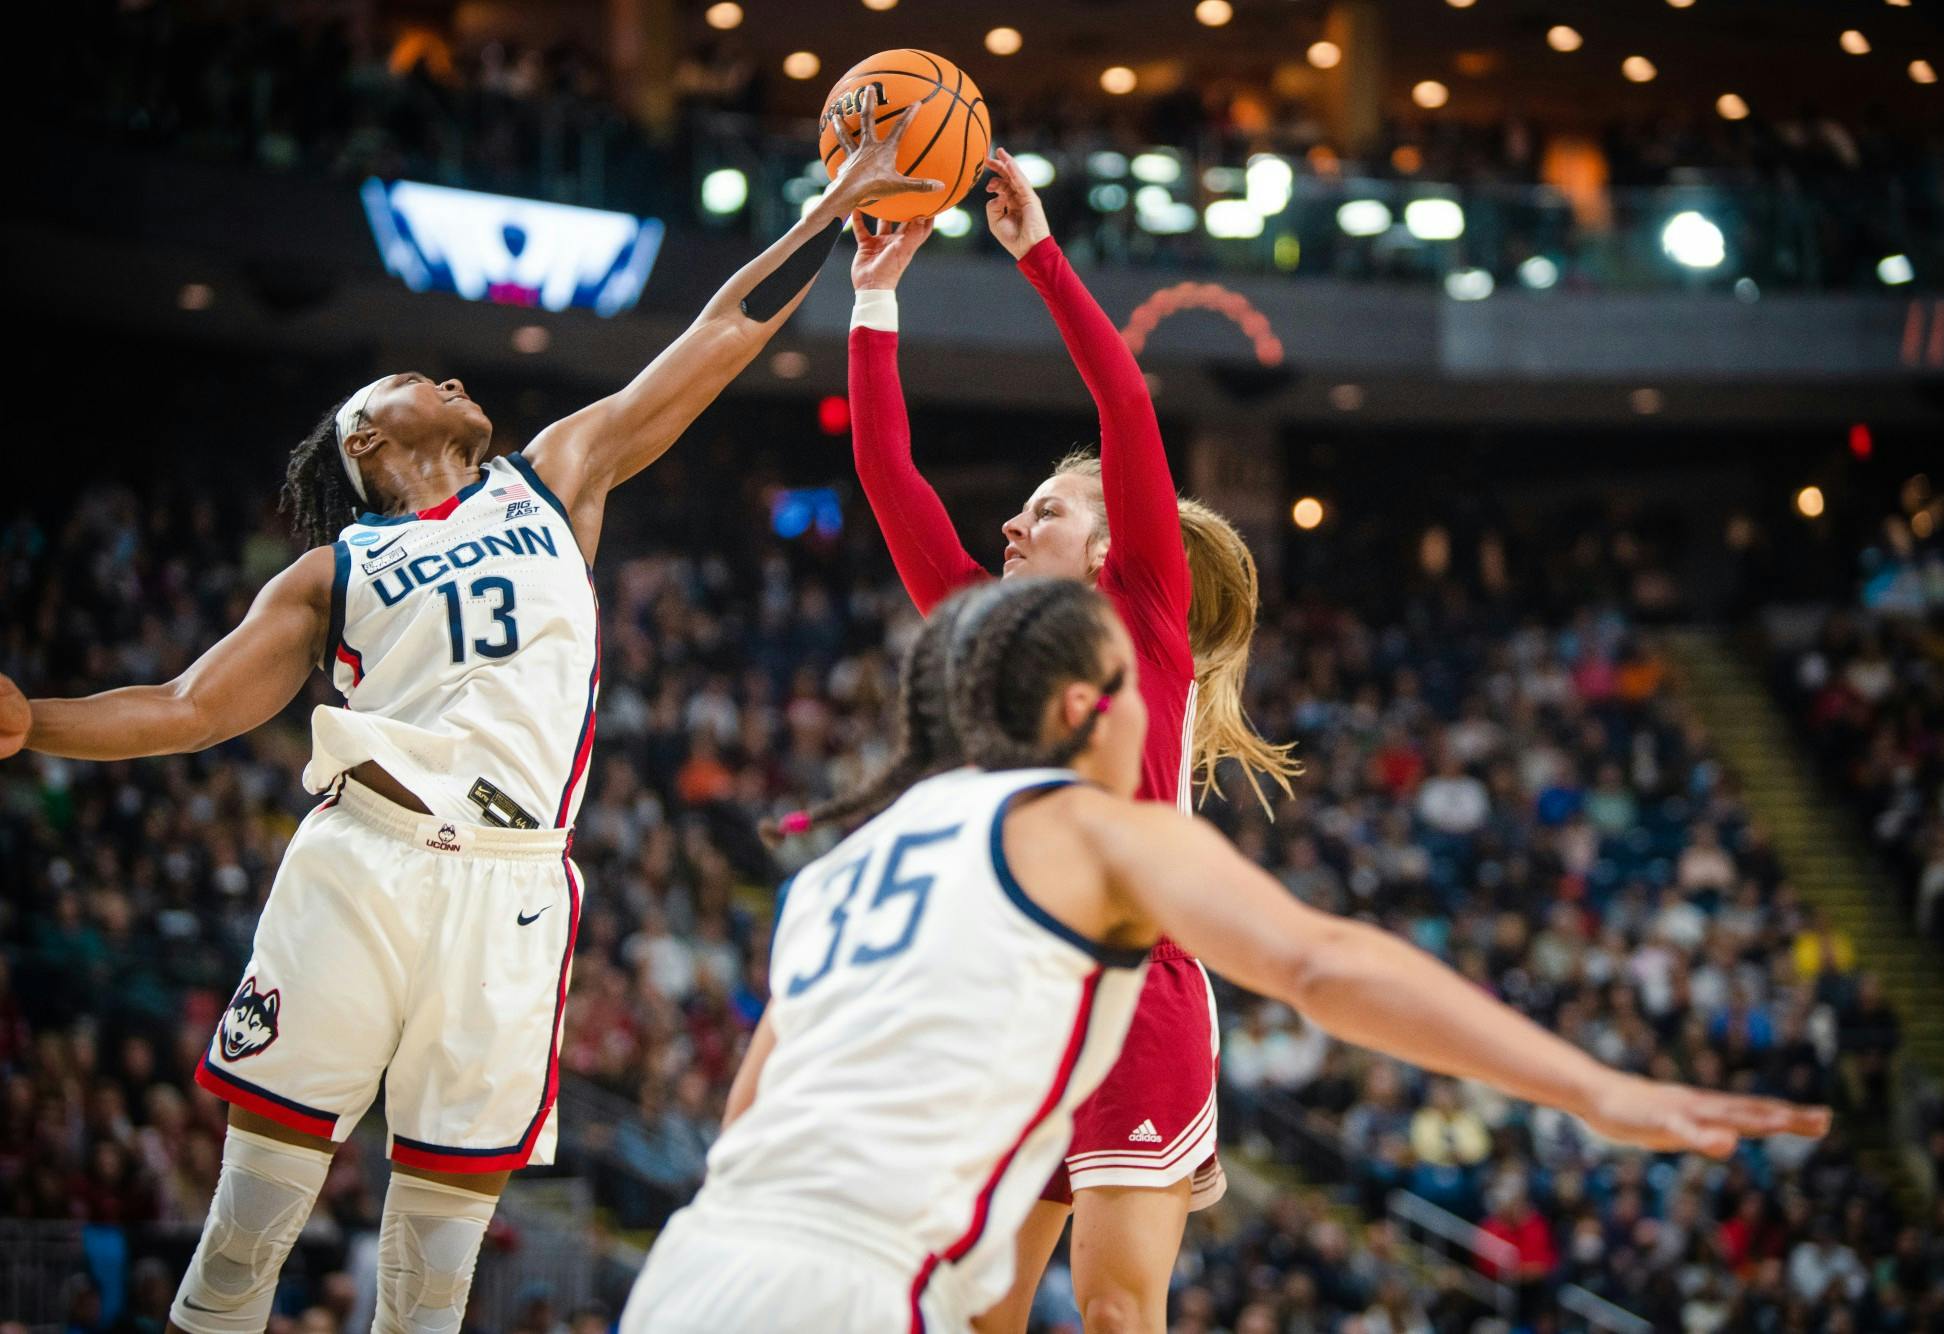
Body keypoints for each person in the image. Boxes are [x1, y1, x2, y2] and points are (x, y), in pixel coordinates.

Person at [0, 88, 938, 1334]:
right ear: (364, 440)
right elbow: (187, 704)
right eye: (411, 380)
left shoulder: (551, 478)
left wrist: (831, 213)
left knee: (433, 1283)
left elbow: (714, 337)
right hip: (363, 860)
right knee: (239, 1243)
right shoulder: (332, 571)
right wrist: (32, 720)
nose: (447, 374)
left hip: (514, 889)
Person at [622, 578, 1831, 1333]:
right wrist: (1592, 1087)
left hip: (693, 1267)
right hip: (858, 1290)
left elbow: (744, 1117)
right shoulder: (1093, 827)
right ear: (1089, 707)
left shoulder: (842, 864)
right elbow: (1319, 965)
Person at [842, 146, 1300, 1334]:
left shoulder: (1142, 606)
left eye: (1042, 508)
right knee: (974, 1316)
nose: (1008, 519)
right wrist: (874, 298)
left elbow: (1126, 405)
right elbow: (892, 477)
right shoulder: (984, 633)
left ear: (1106, 544)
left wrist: (1037, 256)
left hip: (1136, 986)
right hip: (1016, 997)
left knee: (1110, 1309)